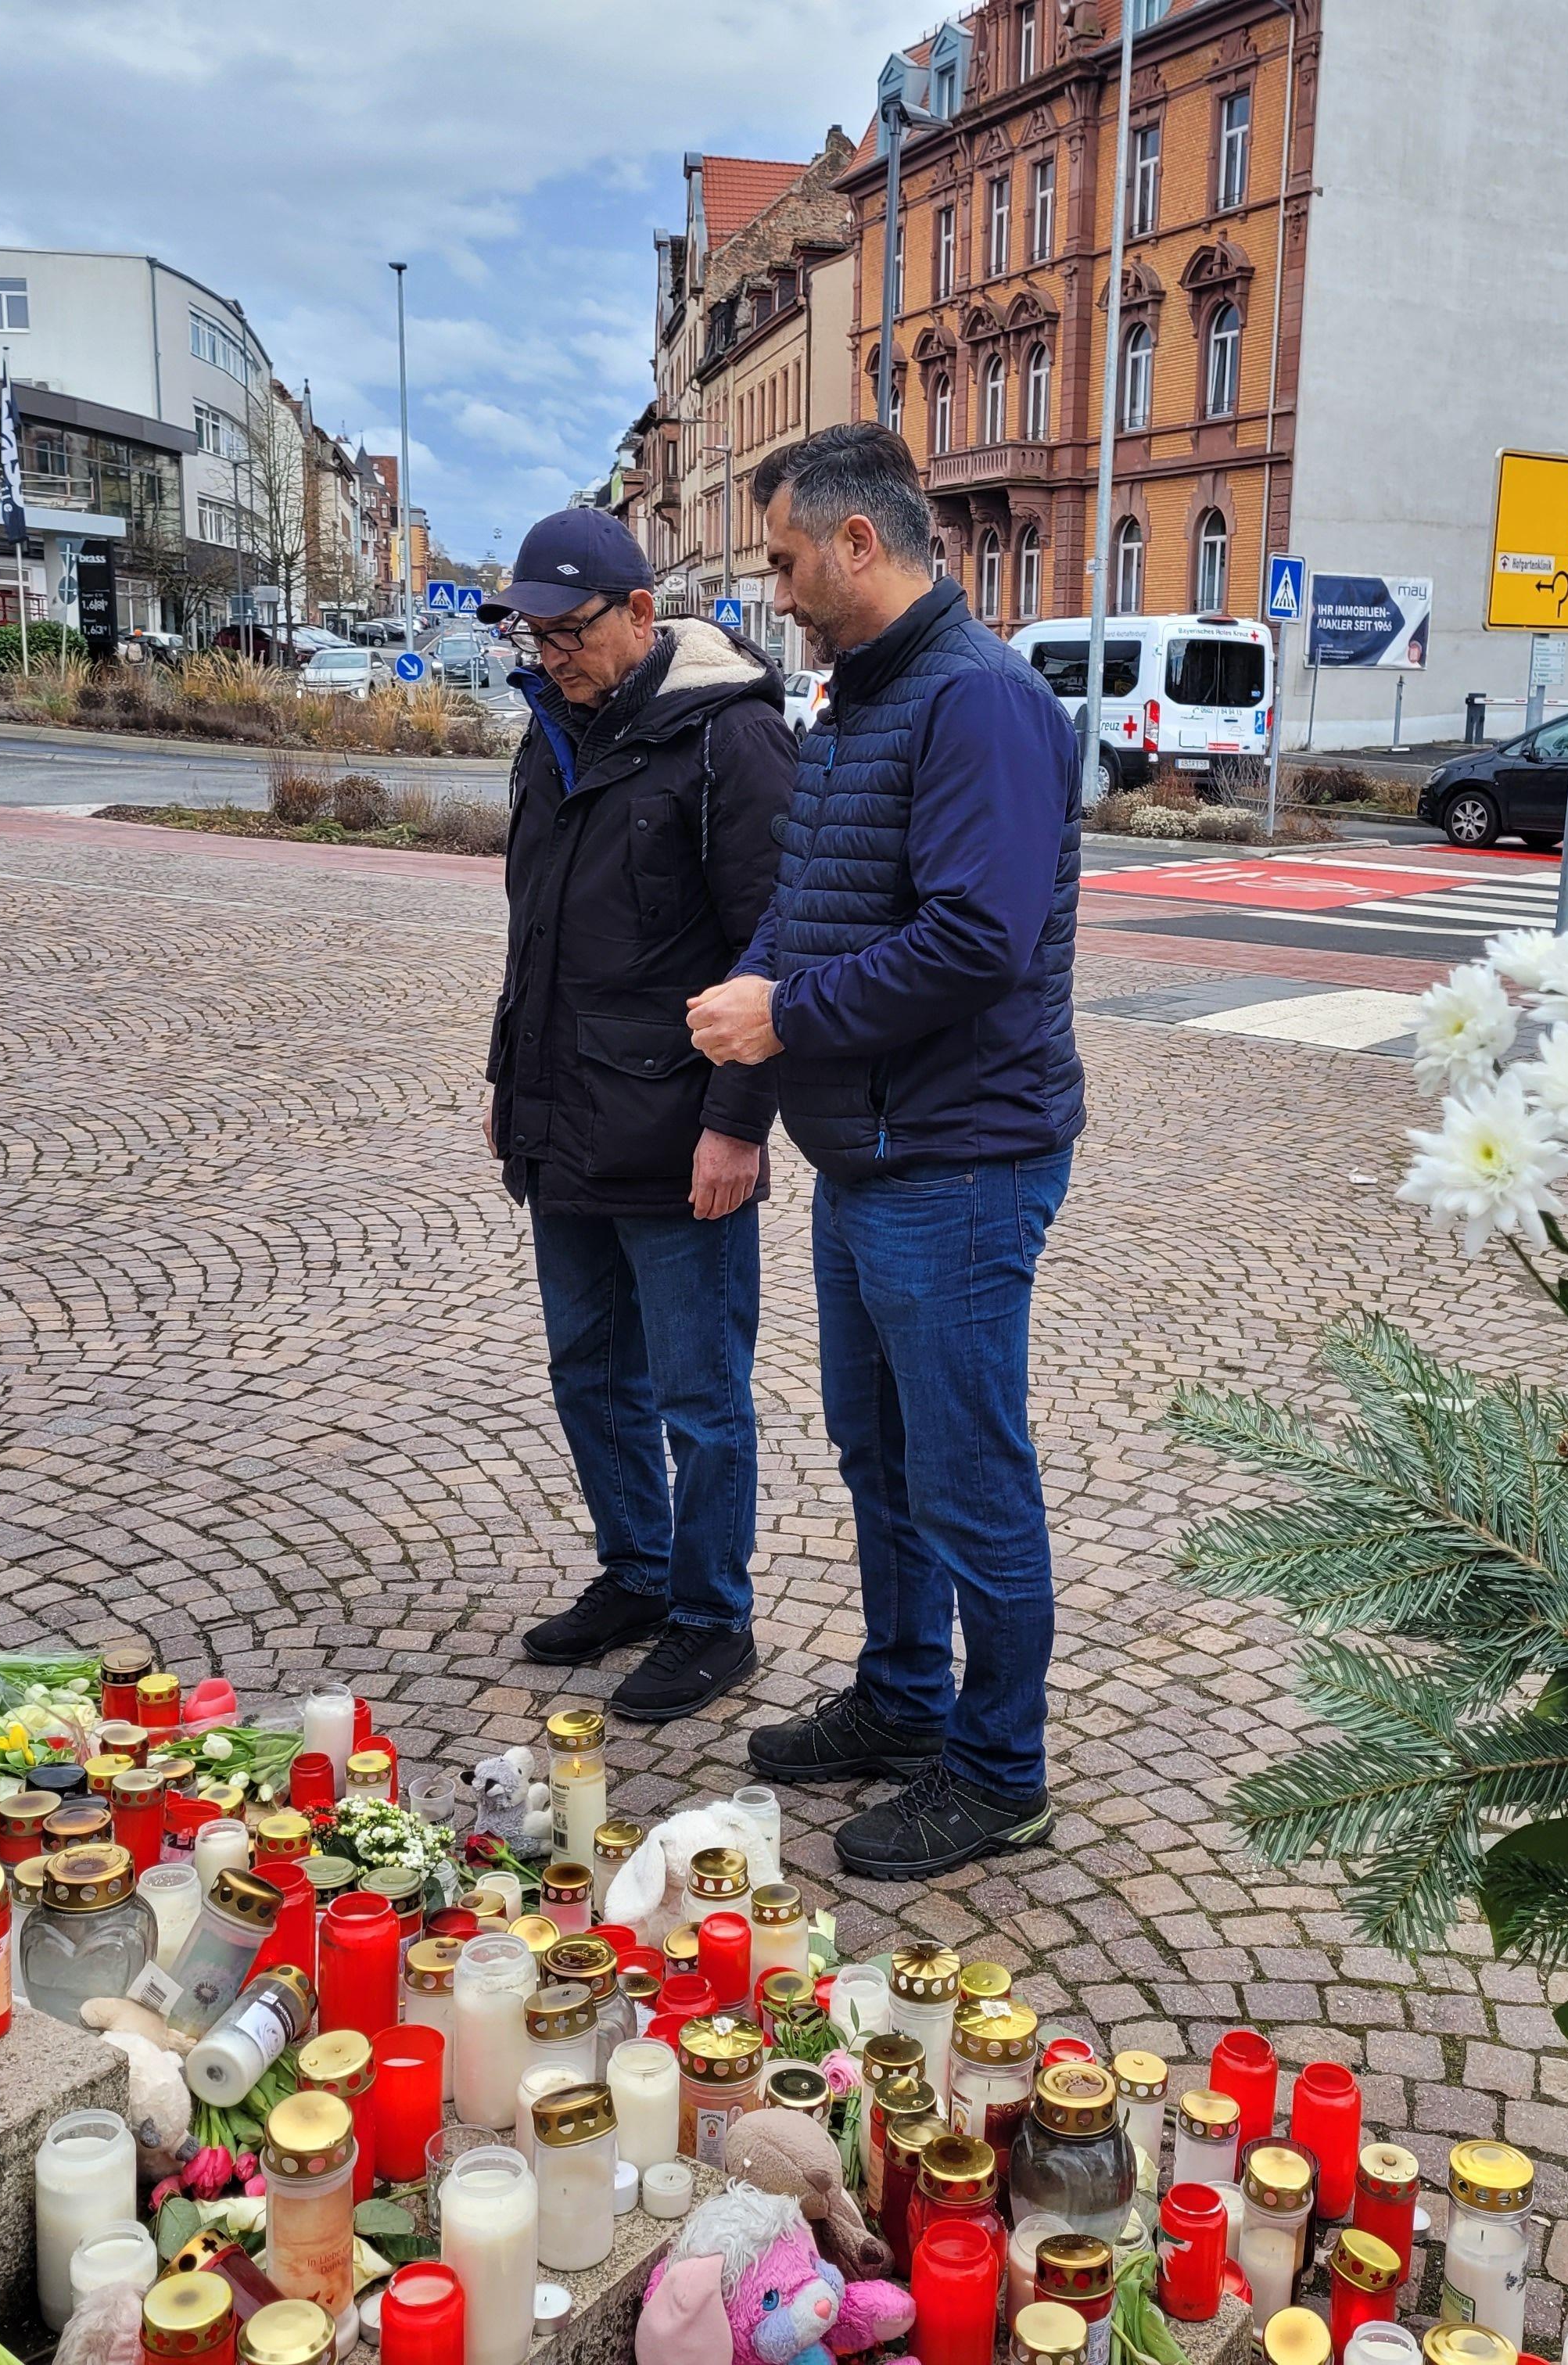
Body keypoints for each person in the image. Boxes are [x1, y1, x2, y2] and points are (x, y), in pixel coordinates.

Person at [685, 423, 1083, 1879]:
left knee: (968, 1473)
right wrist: (752, 1047)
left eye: (787, 560)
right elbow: (811, 901)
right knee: (880, 1455)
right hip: (872, 1153)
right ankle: (910, 1700)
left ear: (861, 543)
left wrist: (784, 1014)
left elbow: (979, 940)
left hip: (961, 1160)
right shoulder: (862, 698)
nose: (776, 590)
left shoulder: (980, 704)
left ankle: (999, 1769)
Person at [484, 508, 798, 1722]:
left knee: (699, 1396)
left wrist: (738, 1125)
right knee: (587, 1371)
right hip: (564, 1114)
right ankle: (638, 1571)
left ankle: (714, 1619)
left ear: (637, 613)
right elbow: (538, 936)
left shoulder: (732, 740)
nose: (549, 652)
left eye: (568, 630)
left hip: (678, 1130)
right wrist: (517, 1086)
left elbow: (775, 951)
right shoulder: (551, 730)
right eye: (533, 631)